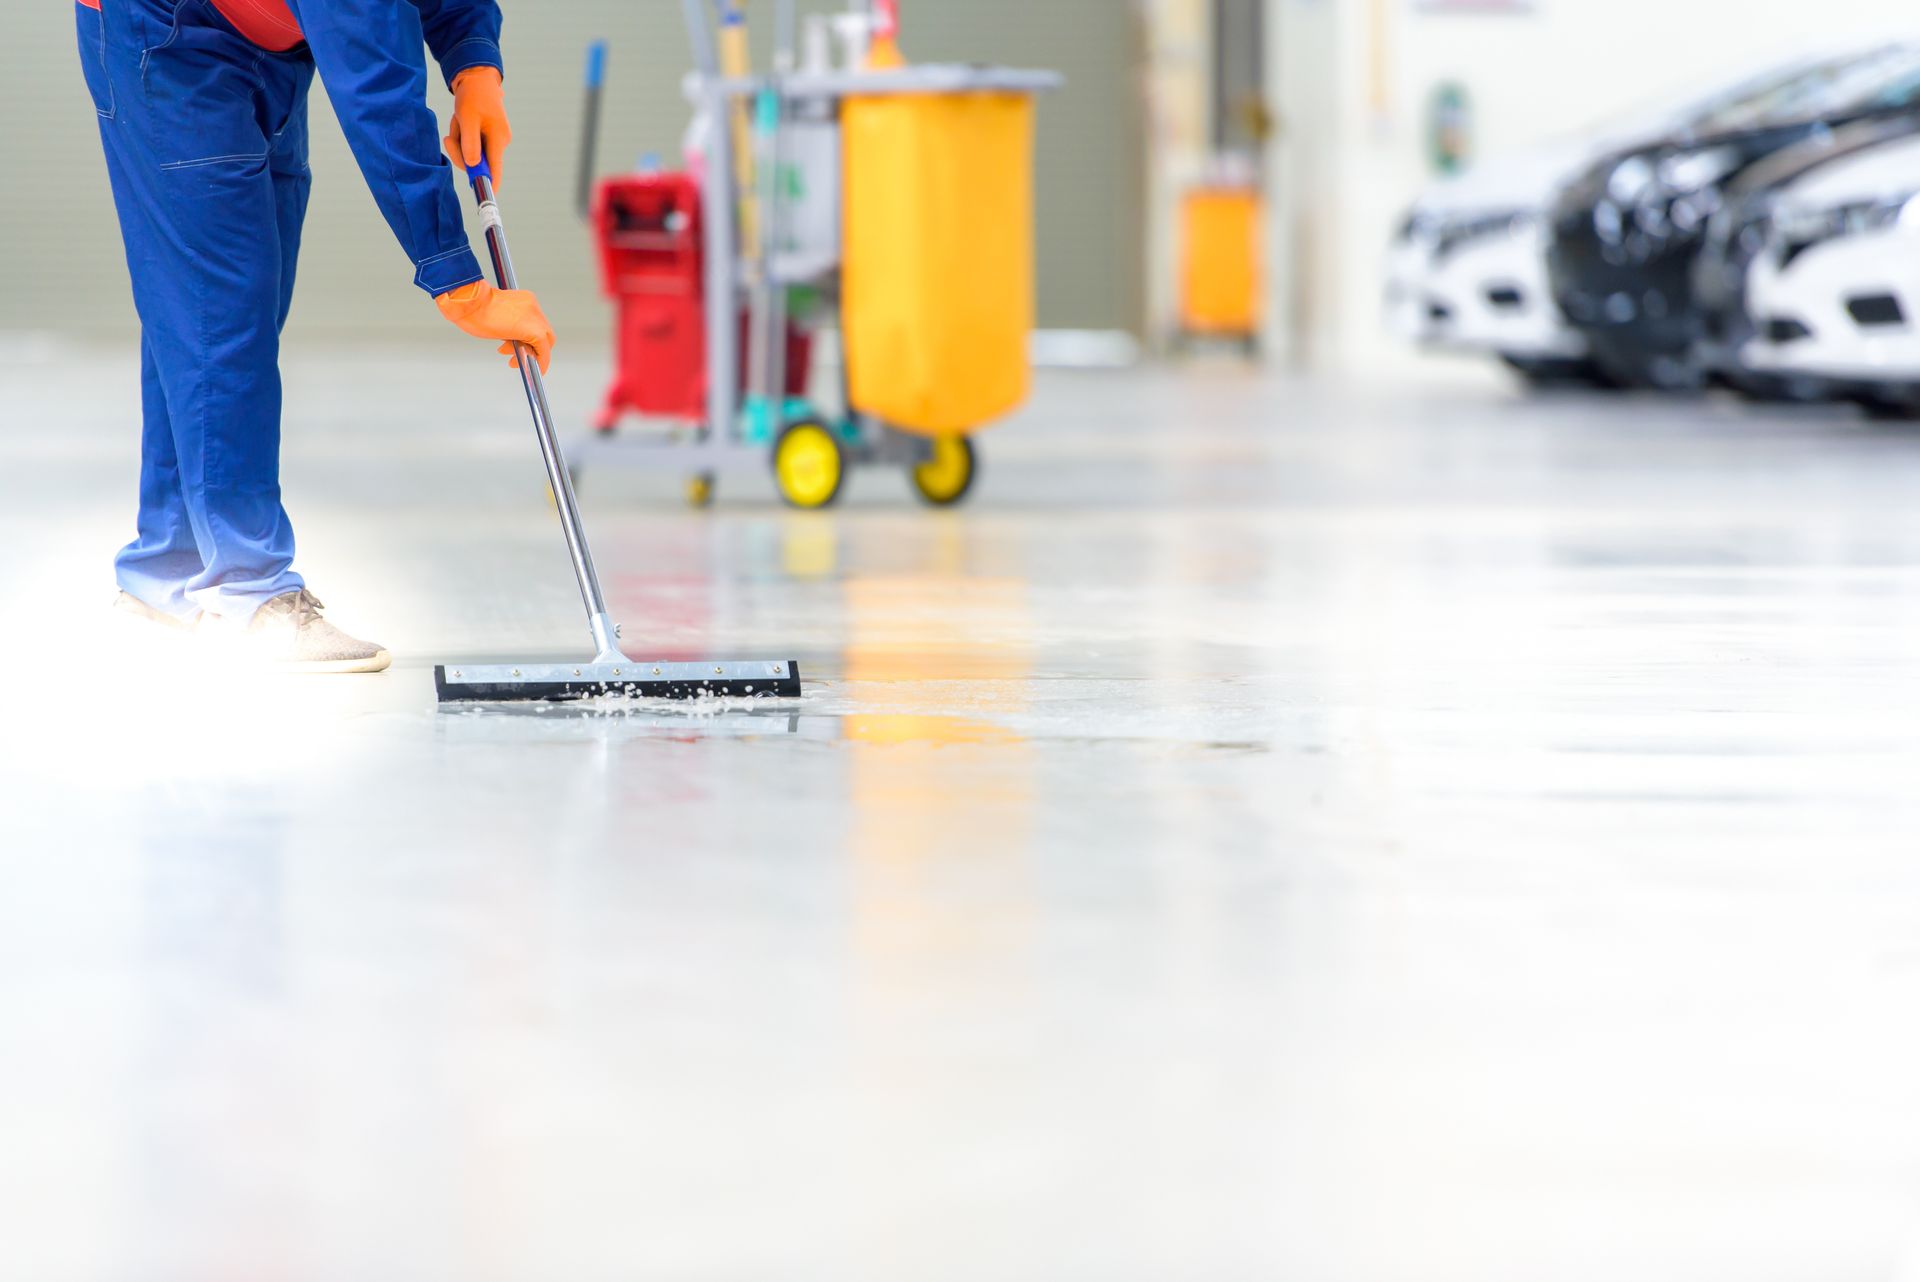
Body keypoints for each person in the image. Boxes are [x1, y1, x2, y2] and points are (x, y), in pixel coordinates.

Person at [76, 0, 556, 672]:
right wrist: (460, 283)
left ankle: (165, 574)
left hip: (263, 42)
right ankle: (251, 593)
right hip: (165, 34)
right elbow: (379, 95)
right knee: (222, 310)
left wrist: (474, 59)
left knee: (214, 308)